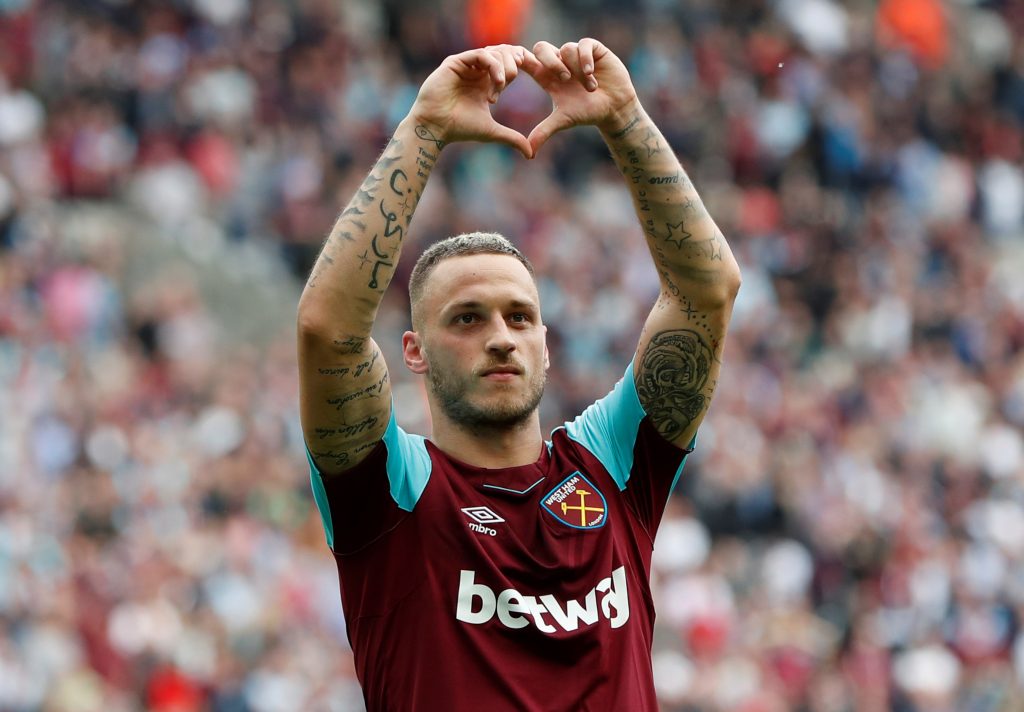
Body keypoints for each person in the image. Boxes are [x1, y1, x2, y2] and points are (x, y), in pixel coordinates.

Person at [296, 38, 741, 711]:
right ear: (413, 351)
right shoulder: (390, 495)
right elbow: (329, 331)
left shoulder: (611, 466)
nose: (501, 338)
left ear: (546, 342)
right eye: (468, 319)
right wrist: (423, 131)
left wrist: (623, 118)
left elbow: (706, 293)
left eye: (519, 317)